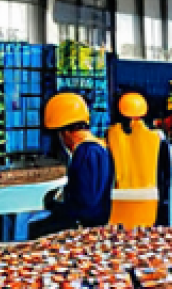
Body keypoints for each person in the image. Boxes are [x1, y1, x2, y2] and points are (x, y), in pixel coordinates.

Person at [28, 92, 114, 240]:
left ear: (66, 132)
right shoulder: (99, 147)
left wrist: (54, 205)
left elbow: (87, 203)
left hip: (83, 227)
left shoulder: (85, 152)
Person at [106, 92, 172, 228]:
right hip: (150, 201)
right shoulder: (157, 138)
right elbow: (166, 173)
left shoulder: (110, 135)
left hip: (117, 202)